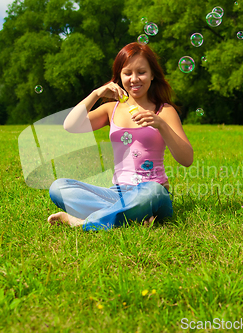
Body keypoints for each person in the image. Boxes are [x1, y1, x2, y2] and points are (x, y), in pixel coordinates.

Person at [47, 42, 193, 231]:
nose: (134, 79)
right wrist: (96, 94)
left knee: (151, 191)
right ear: (119, 77)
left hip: (152, 192)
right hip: (117, 193)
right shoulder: (111, 109)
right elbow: (70, 125)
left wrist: (161, 125)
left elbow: (187, 159)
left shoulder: (164, 111)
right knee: (58, 188)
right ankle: (132, 215)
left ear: (152, 75)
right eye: (127, 73)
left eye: (141, 72)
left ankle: (85, 222)